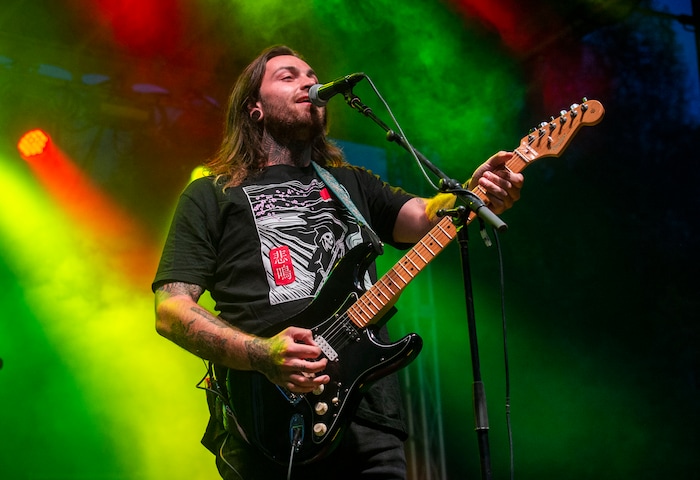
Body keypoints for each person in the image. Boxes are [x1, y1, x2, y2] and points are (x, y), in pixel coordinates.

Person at [152, 45, 523, 480]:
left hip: (369, 418)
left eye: (312, 74)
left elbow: (425, 216)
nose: (310, 82)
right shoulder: (211, 195)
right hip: (267, 425)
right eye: (288, 76)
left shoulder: (351, 183)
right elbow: (171, 310)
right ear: (254, 108)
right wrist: (262, 353)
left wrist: (471, 191)